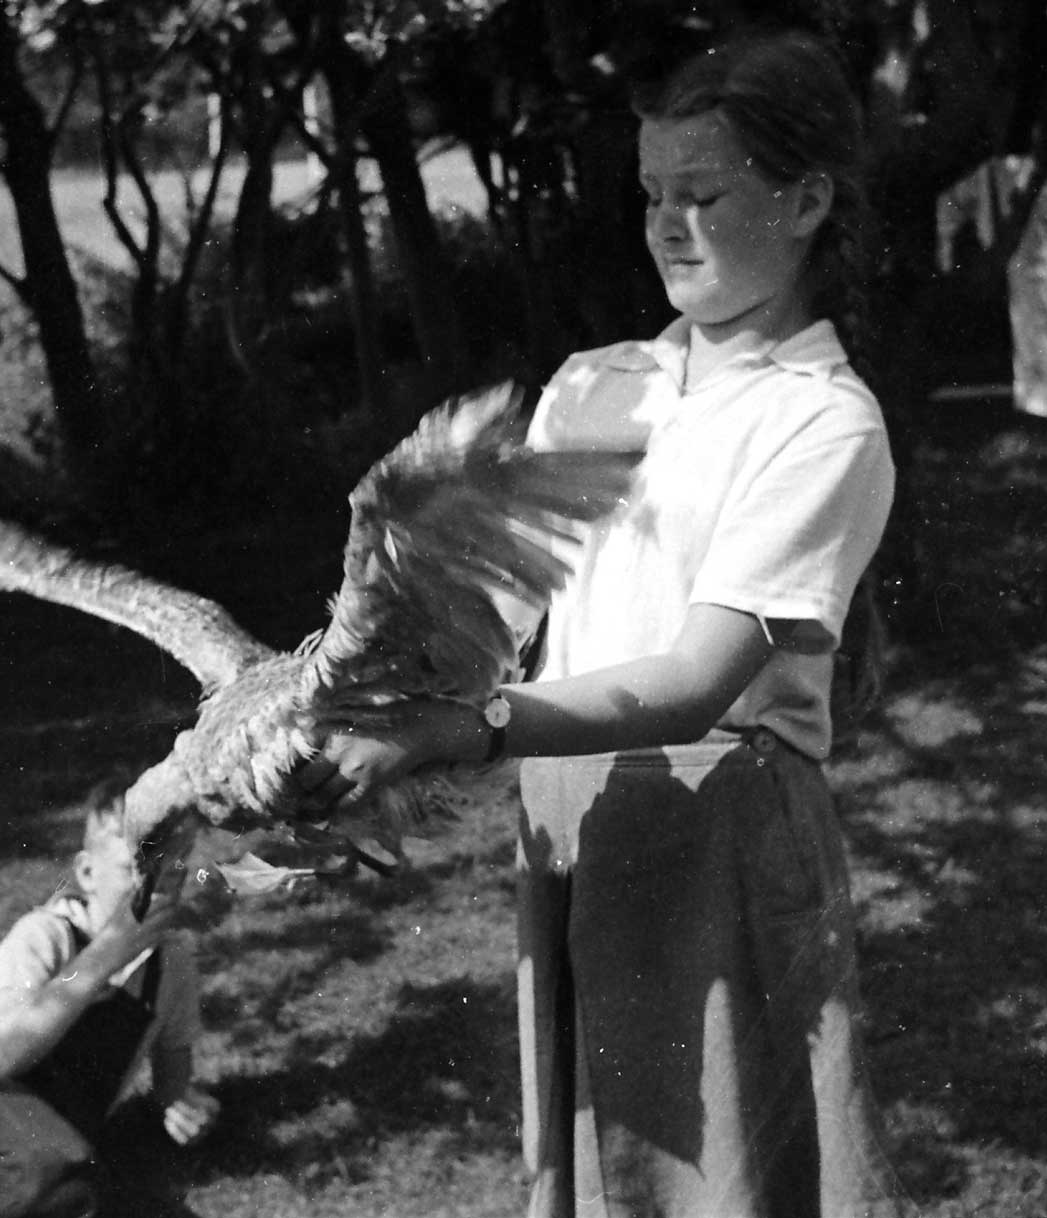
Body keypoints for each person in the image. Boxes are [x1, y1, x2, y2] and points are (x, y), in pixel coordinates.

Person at [294, 27, 906, 1218]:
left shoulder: (821, 422)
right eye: (650, 195)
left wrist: (457, 734)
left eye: (702, 194)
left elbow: (692, 678)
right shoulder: (597, 382)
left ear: (807, 201)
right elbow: (495, 613)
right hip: (566, 813)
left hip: (716, 825)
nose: (667, 223)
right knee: (604, 1171)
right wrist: (339, 716)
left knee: (722, 1176)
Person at [0, 779, 221, 1218]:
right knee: (53, 1170)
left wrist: (181, 1107)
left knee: (78, 1189)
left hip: (41, 1138)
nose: (155, 887)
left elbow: (172, 1084)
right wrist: (106, 953)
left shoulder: (171, 968)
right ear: (87, 873)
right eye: (135, 869)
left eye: (171, 868)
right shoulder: (48, 936)